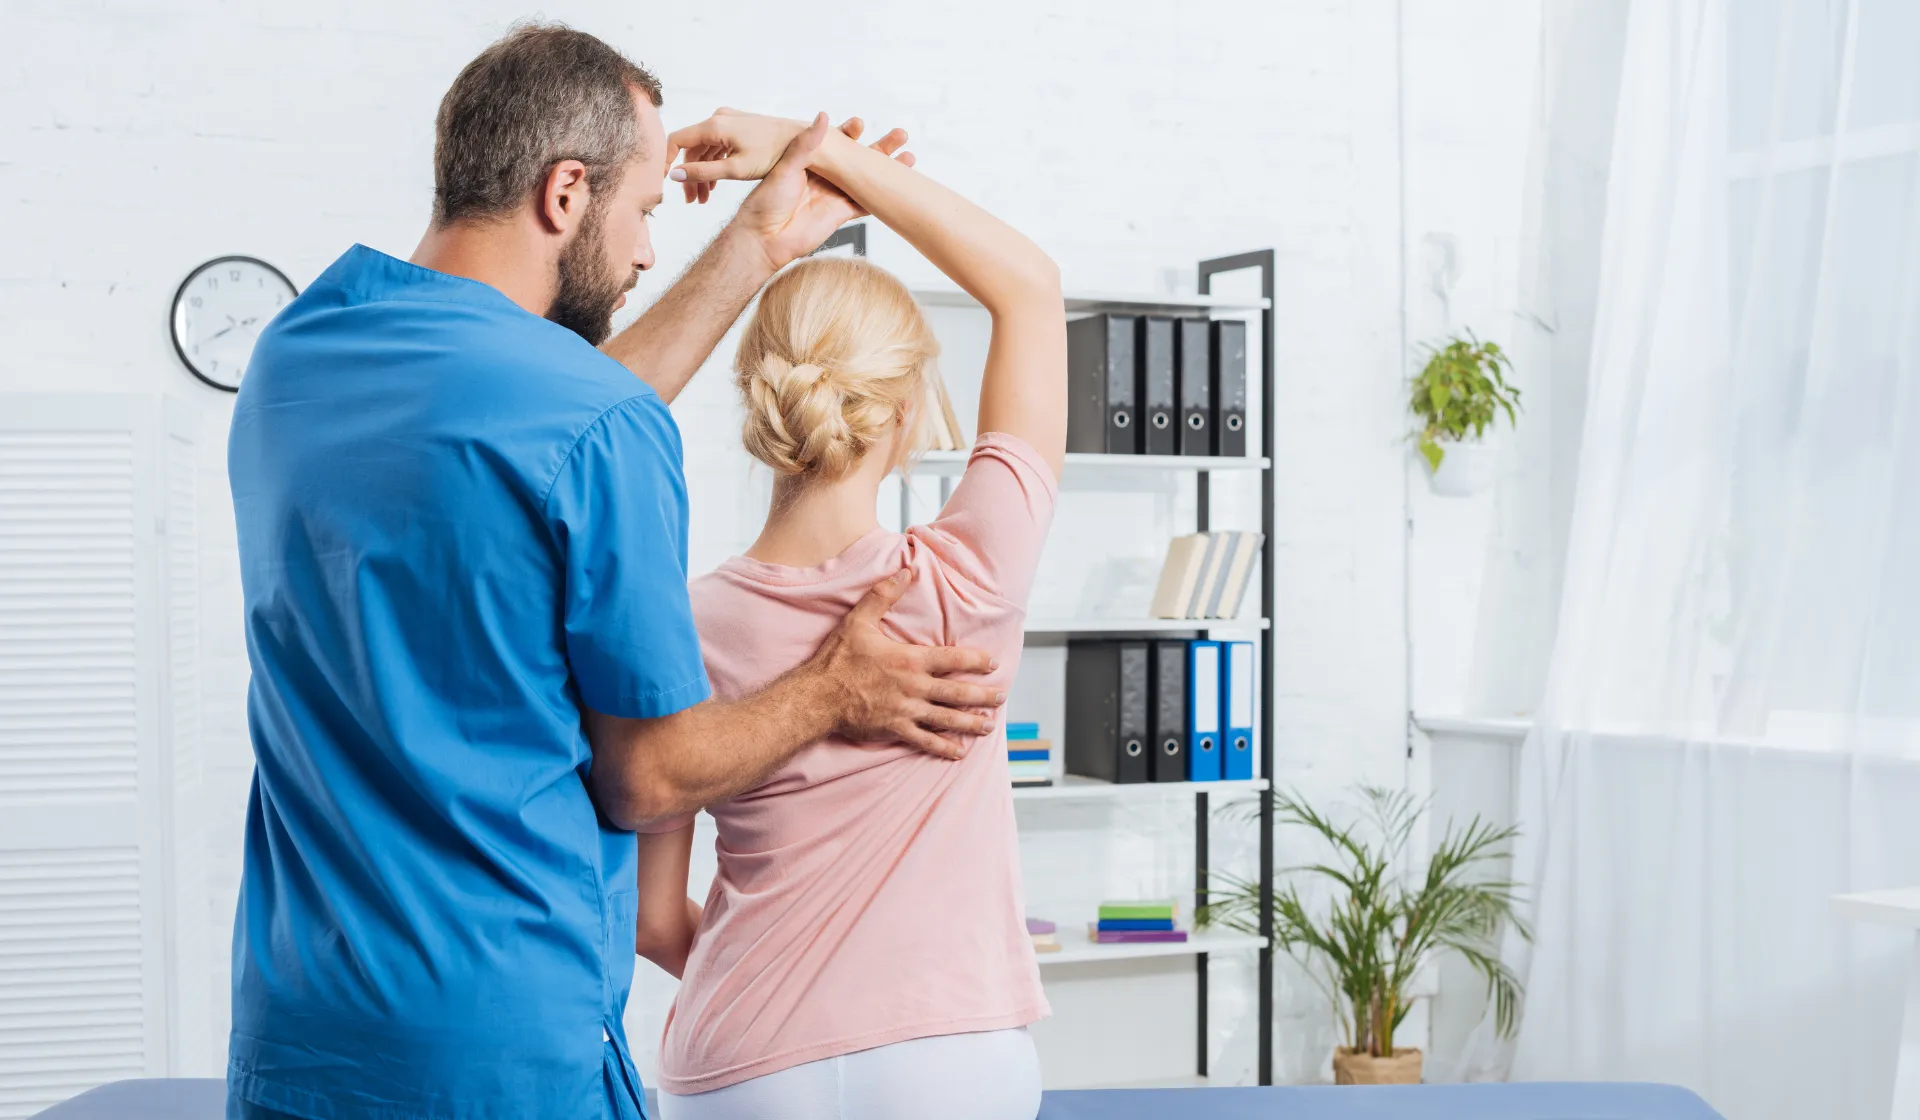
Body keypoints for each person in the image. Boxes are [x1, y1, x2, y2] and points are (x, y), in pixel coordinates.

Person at [224, 25, 1006, 1120]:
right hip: (498, 1050)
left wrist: (753, 246)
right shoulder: (593, 426)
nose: (645, 255)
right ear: (564, 193)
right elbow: (649, 776)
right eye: (642, 213)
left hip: (302, 1032)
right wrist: (841, 684)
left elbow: (531, 420)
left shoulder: (296, 357)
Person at [630, 112, 1068, 1120]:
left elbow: (655, 922)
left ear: (756, 395)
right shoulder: (969, 582)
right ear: (908, 411)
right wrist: (814, 147)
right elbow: (1028, 288)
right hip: (946, 1058)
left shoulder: (675, 620)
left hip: (737, 1061)